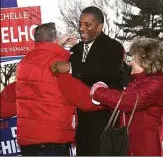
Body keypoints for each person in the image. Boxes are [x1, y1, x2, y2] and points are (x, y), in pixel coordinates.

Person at [15, 22, 102, 156]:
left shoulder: (23, 63)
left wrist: (55, 47)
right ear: (56, 39)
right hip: (53, 139)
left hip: (26, 140)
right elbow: (83, 99)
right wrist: (107, 99)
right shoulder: (59, 64)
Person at [51, 6, 125, 155]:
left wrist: (72, 67)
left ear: (100, 26)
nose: (81, 28)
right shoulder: (76, 49)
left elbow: (106, 72)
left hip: (104, 121)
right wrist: (56, 48)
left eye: (87, 24)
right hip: (81, 123)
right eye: (80, 24)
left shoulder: (114, 47)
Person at [89, 37, 163, 156]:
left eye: (133, 58)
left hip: (142, 149)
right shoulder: (137, 82)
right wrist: (104, 96)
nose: (130, 62)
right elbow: (122, 108)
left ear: (146, 60)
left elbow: (129, 102)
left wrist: (100, 92)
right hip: (129, 146)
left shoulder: (156, 84)